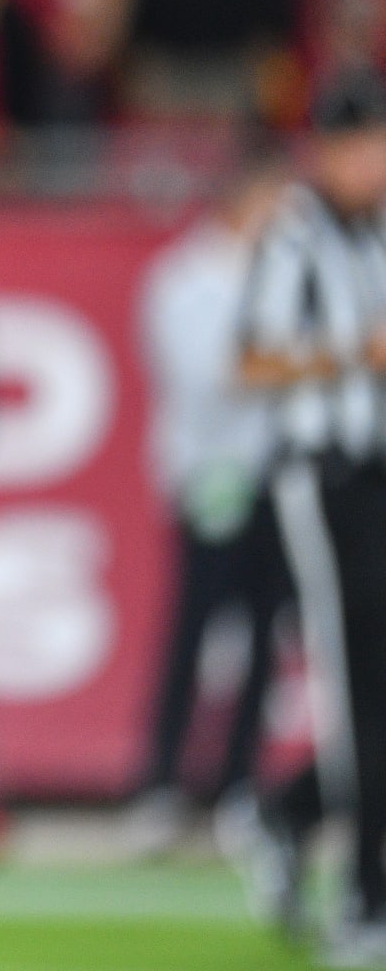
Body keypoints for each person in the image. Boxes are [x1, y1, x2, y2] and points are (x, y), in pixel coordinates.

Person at [233, 70, 386, 964]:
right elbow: (250, 362)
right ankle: (366, 897)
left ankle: (284, 813)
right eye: (357, 145)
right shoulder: (294, 235)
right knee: (360, 684)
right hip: (323, 482)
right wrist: (350, 355)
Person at [124, 164, 295, 857]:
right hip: (212, 477)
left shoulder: (284, 274)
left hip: (277, 473)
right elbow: (215, 375)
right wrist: (320, 361)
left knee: (265, 634)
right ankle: (161, 780)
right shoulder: (184, 278)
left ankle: (239, 786)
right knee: (195, 628)